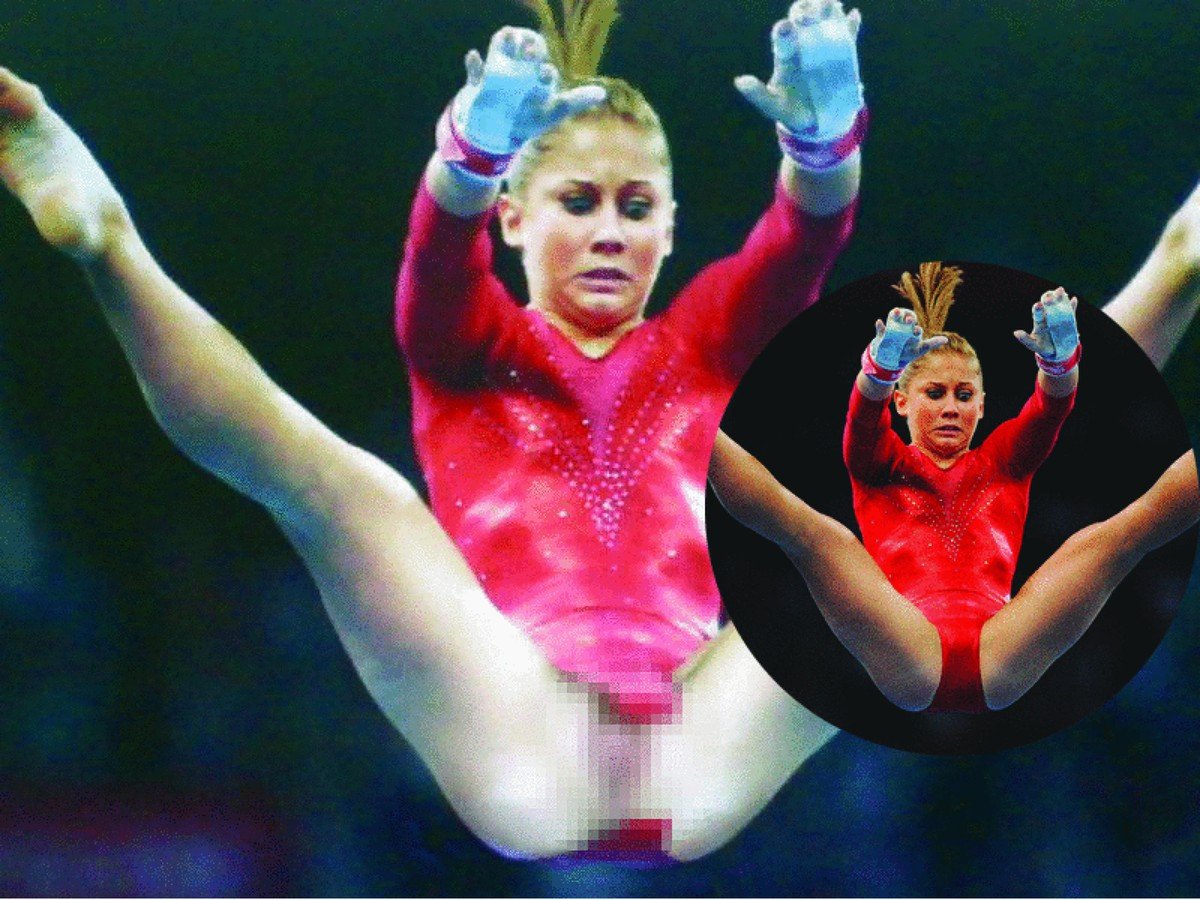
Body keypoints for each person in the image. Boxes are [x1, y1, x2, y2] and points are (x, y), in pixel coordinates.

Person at [0, 0, 871, 863]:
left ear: (671, 228)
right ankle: (106, 241)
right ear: (514, 218)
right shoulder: (470, 344)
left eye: (636, 208)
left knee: (887, 520)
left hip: (696, 750)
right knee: (347, 489)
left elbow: (804, 239)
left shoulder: (711, 347)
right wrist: (473, 152)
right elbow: (439, 252)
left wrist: (827, 137)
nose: (609, 232)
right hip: (524, 734)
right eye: (578, 202)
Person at [710, 263, 1200, 714]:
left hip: (1000, 648)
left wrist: (1060, 365)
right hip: (910, 647)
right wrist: (877, 372)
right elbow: (862, 420)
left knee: (1111, 537)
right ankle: (700, 438)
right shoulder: (880, 464)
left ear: (982, 407)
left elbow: (1049, 413)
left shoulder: (1004, 462)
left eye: (964, 395)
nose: (950, 407)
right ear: (902, 402)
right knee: (818, 535)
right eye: (935, 393)